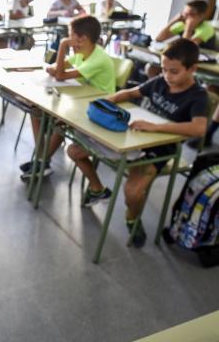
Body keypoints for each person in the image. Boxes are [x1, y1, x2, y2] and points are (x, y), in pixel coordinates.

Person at [67, 38, 208, 247]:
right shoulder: (160, 81)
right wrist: (110, 100)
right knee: (74, 150)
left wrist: (157, 127)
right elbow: (132, 93)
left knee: (133, 191)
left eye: (174, 71)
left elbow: (199, 128)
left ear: (192, 69)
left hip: (161, 147)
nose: (167, 76)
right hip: (135, 136)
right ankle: (96, 188)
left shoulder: (197, 96)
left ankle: (132, 217)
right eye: (164, 69)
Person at [19, 15, 115, 181]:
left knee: (59, 122)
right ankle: (42, 162)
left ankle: (42, 162)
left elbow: (61, 75)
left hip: (99, 108)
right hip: (82, 100)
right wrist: (54, 69)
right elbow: (59, 68)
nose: (69, 39)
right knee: (36, 111)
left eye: (71, 36)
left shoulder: (98, 58)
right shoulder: (81, 52)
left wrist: (63, 46)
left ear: (82, 38)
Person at [148, 0, 216, 78]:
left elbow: (185, 48)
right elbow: (159, 39)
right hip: (183, 61)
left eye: (190, 14)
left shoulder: (206, 28)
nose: (186, 17)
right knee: (152, 68)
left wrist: (188, 28)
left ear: (201, 16)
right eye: (185, 13)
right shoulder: (182, 24)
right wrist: (174, 20)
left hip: (202, 66)